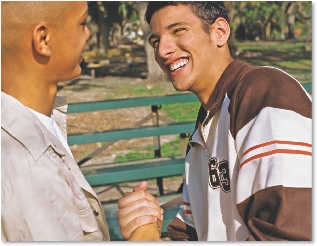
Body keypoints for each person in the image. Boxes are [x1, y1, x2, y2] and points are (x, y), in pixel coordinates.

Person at [117, 1, 312, 241]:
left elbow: (292, 230)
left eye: (178, 31)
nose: (162, 50)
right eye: (155, 41)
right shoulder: (206, 125)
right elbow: (193, 231)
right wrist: (145, 224)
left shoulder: (265, 91)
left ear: (219, 32)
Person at [1, 1, 110, 241]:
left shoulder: (34, 124)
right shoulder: (30, 170)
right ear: (43, 40)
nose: (87, 33)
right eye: (81, 23)